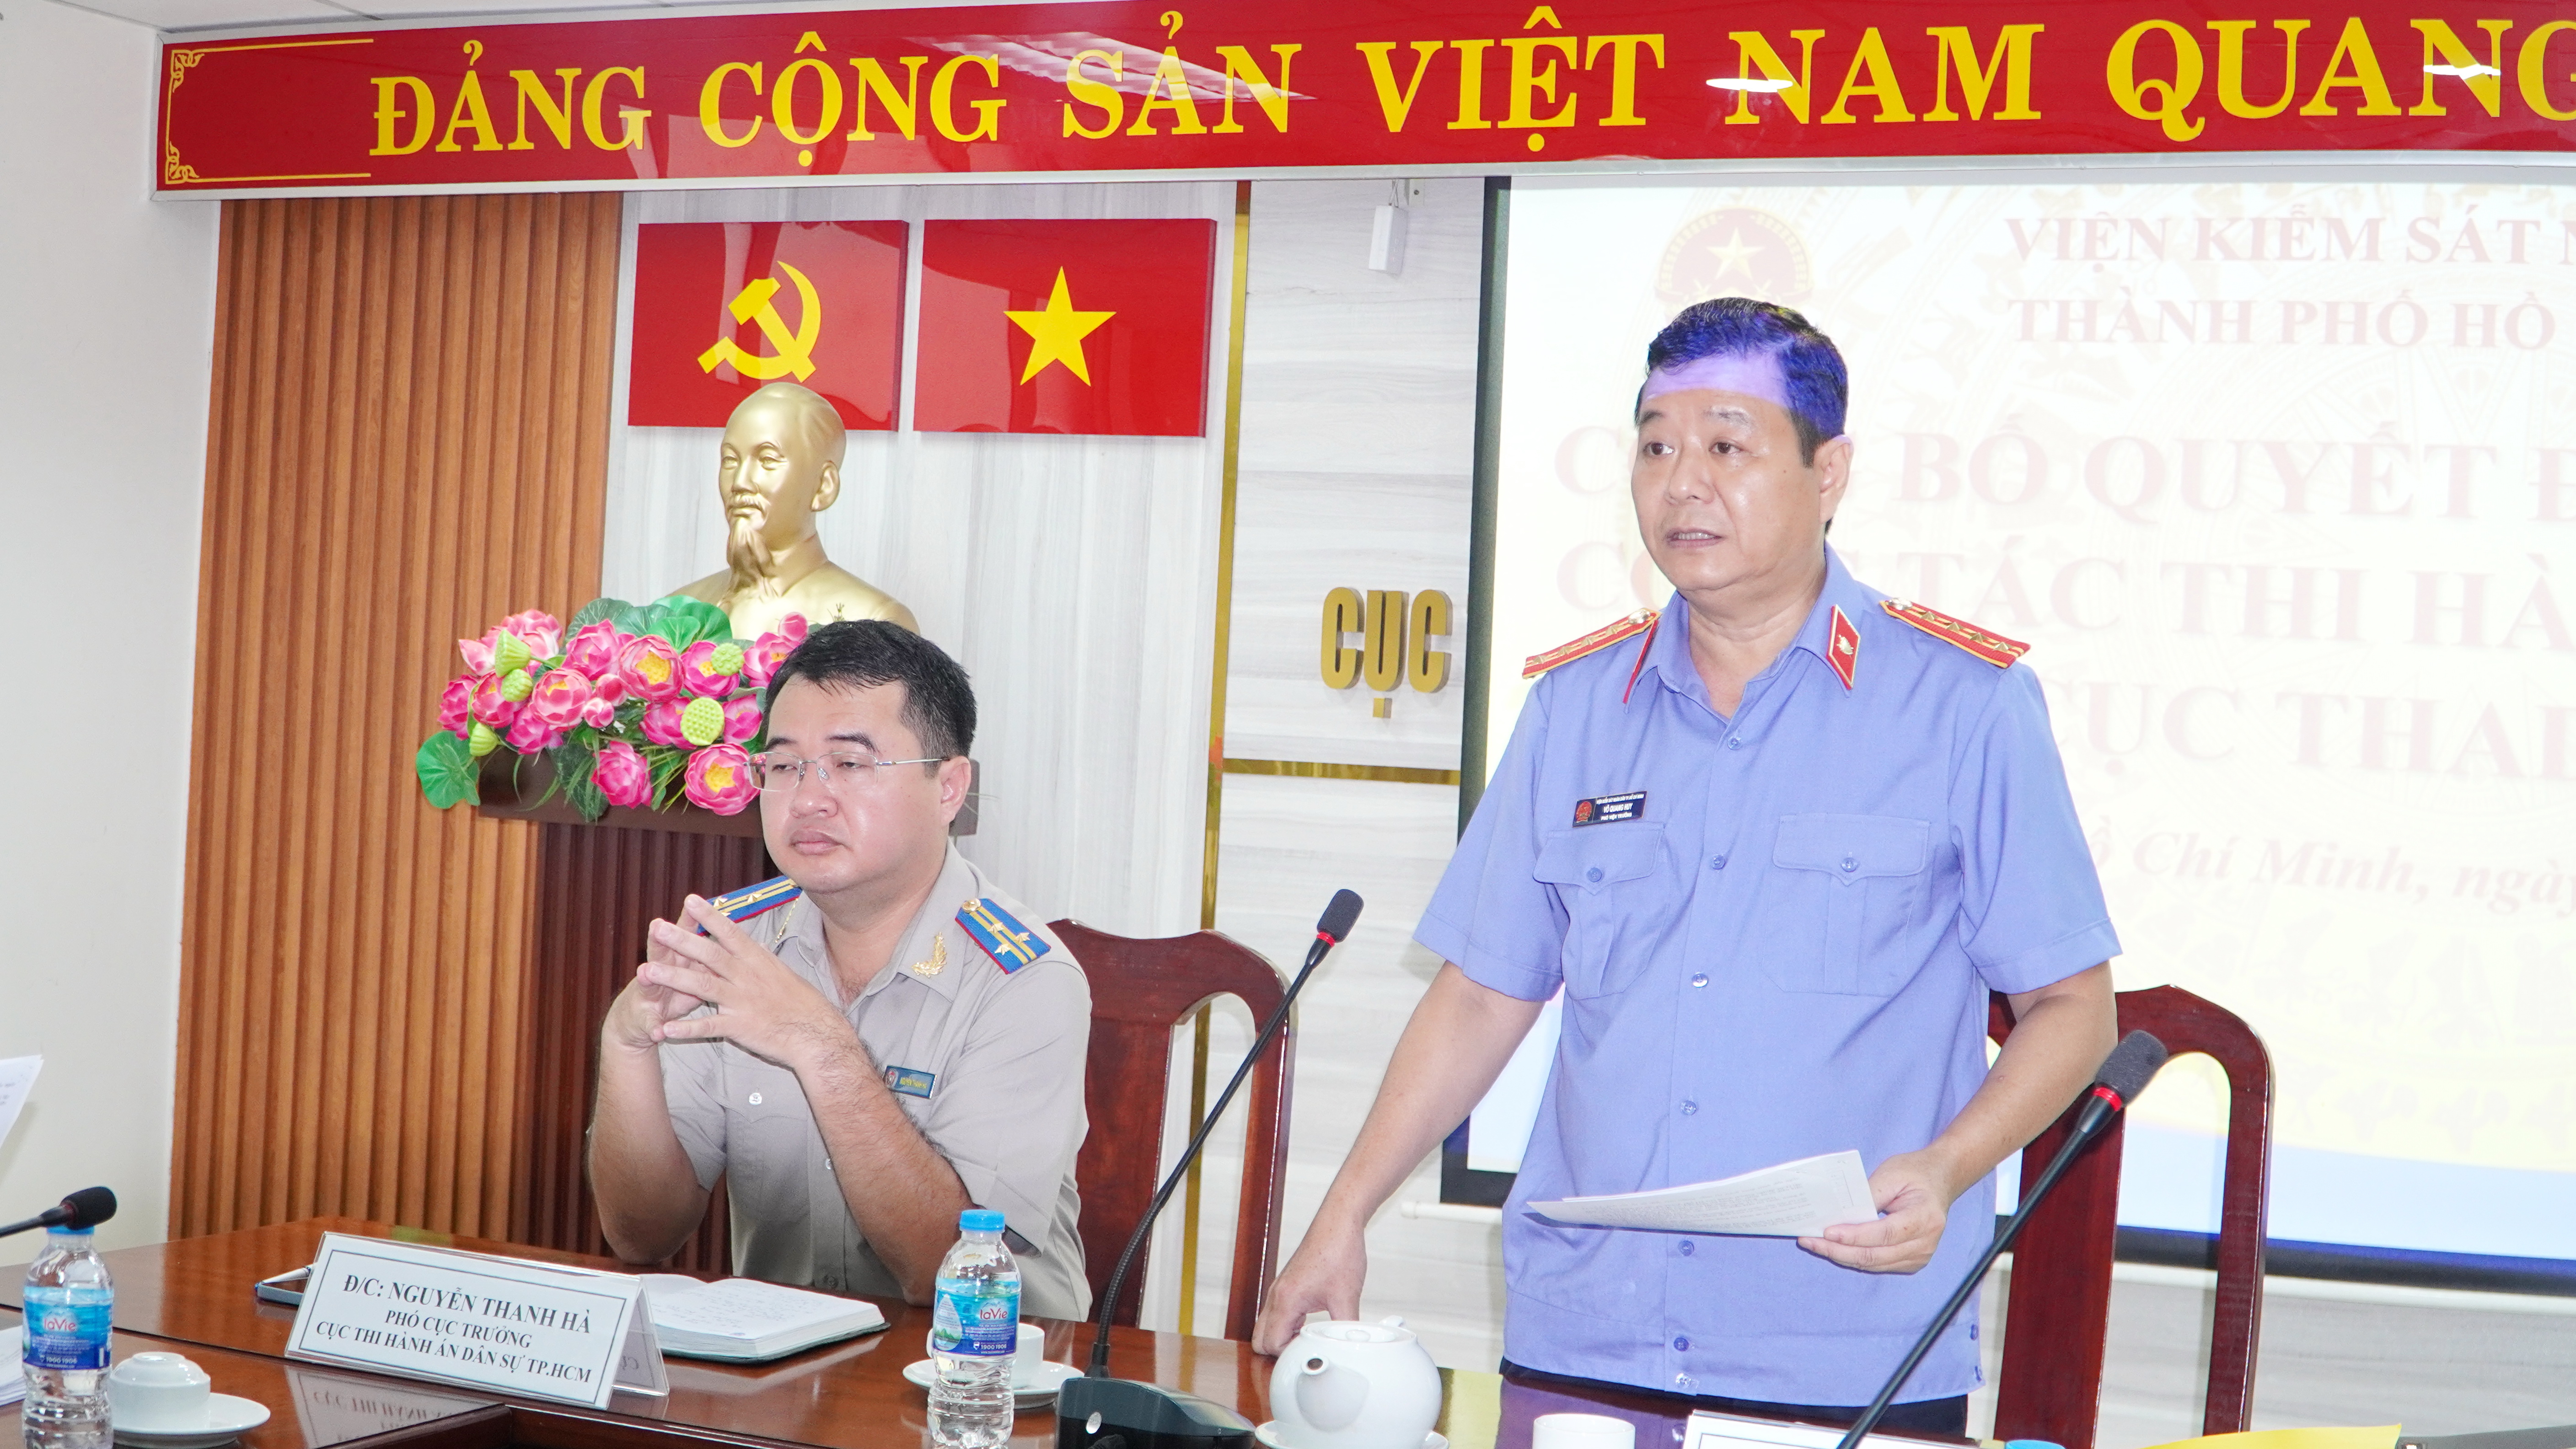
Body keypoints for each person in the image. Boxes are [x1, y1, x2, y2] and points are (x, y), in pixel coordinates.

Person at [1253, 299, 2119, 1430]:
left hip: (1841, 1347)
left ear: (1827, 472)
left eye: (1725, 445)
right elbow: (1479, 992)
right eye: (1655, 446)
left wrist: (1951, 1166)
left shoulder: (1961, 705)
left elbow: (2073, 1007)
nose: (1682, 483)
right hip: (1585, 1335)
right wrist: (1343, 1213)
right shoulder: (1574, 707)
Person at [589, 620, 1092, 1318]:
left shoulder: (1025, 981)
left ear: (949, 787)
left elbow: (951, 1278)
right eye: (784, 766)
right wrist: (626, 1048)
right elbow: (642, 1236)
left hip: (978, 1368)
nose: (808, 799)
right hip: (779, 1365)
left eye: (850, 765)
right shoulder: (731, 946)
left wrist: (819, 1046)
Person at [674, 381, 919, 640]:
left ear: (823, 486)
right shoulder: (676, 616)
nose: (740, 482)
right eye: (731, 460)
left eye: (768, 460)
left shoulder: (873, 622)